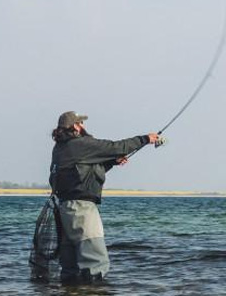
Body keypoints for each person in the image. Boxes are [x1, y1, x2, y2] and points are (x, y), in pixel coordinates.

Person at [48, 111, 159, 284]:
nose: (84, 126)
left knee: (70, 265)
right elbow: (115, 147)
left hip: (65, 209)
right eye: (81, 123)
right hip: (81, 210)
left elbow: (80, 173)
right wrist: (145, 139)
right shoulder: (80, 144)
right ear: (76, 126)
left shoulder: (61, 148)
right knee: (96, 261)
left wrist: (110, 162)